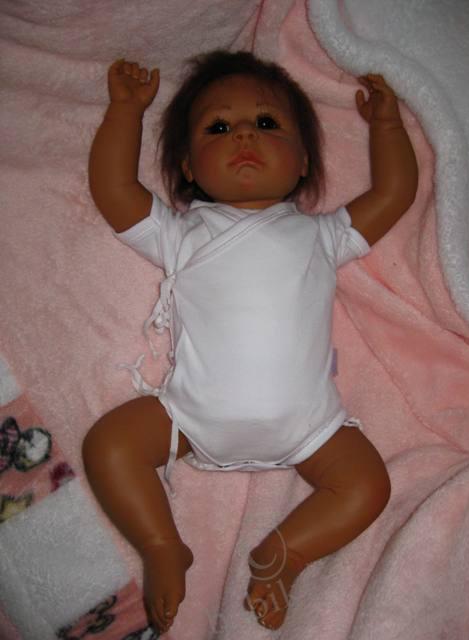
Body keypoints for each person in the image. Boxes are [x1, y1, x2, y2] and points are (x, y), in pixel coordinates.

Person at [82, 50, 417, 634]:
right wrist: (125, 113)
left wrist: (387, 125)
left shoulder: (323, 235)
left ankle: (284, 556)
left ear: (304, 160)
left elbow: (394, 193)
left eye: (266, 123)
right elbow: (114, 190)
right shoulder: (181, 234)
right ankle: (162, 544)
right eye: (218, 127)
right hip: (189, 419)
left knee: (368, 486)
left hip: (311, 428)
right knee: (109, 445)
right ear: (187, 166)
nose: (243, 135)